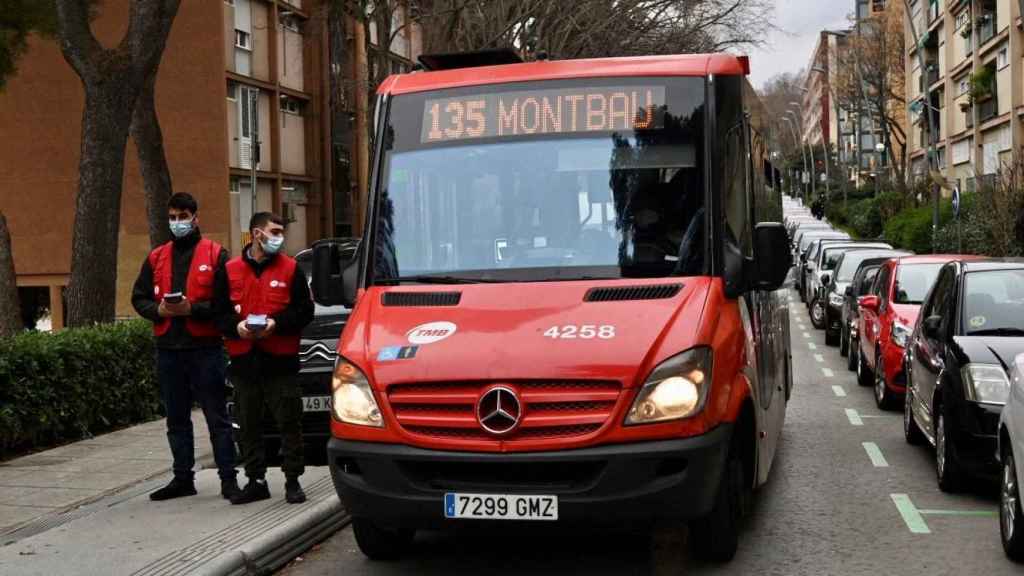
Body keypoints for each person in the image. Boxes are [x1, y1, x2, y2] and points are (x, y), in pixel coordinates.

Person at [131, 192, 239, 501]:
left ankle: (228, 479)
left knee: (216, 416)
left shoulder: (216, 255)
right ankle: (182, 478)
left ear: (195, 218)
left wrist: (194, 309)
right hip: (168, 349)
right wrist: (158, 311)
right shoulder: (156, 257)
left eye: (182, 216)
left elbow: (226, 303)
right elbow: (139, 297)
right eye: (173, 217)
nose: (177, 222)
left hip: (205, 348)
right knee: (176, 418)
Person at [214, 212, 313, 505]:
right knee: (248, 423)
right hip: (245, 361)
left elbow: (304, 311)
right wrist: (237, 327)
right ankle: (255, 480)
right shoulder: (229, 270)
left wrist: (276, 324)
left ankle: (293, 480)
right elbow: (218, 314)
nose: (279, 237)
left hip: (280, 361)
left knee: (289, 421)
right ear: (257, 234)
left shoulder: (291, 269)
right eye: (275, 231)